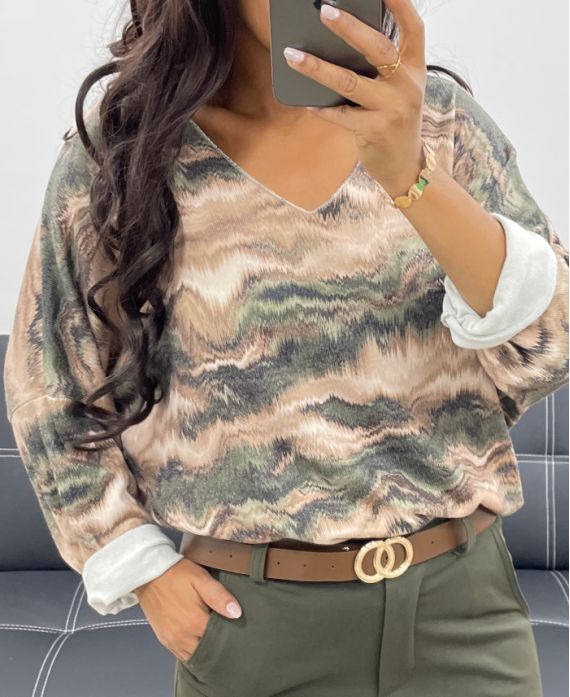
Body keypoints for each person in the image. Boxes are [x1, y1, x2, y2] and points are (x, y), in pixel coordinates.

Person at [4, 0, 568, 695]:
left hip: (465, 616)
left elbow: (549, 349)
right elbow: (48, 381)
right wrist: (137, 565)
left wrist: (410, 175)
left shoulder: (442, 124)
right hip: (252, 631)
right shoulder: (129, 148)